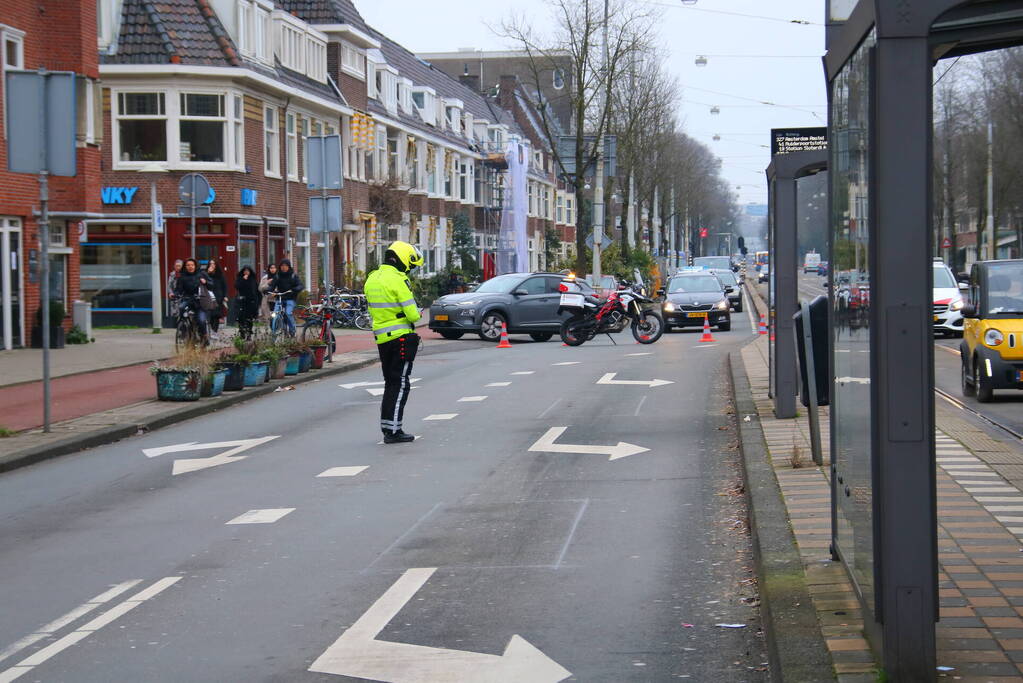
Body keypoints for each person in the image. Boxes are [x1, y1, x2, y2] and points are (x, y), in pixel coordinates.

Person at [364, 241, 423, 444]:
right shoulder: (399, 280)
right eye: (410, 265)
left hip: (382, 338)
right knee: (400, 384)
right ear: (403, 259)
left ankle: (388, 427)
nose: (410, 269)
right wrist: (418, 311)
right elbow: (413, 315)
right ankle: (394, 431)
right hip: (401, 337)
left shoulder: (372, 278)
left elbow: (373, 309)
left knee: (391, 382)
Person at [173, 258, 210, 341]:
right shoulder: (182, 277)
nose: (190, 267)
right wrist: (174, 294)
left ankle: (204, 336)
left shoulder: (202, 274)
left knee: (201, 320)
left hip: (200, 301)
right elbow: (178, 289)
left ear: (195, 266)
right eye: (188, 265)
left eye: (192, 265)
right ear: (185, 267)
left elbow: (211, 285)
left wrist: (206, 282)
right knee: (181, 307)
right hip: (188, 299)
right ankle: (184, 328)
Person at [269, 259, 303, 335]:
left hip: (290, 298)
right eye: (282, 266)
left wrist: (295, 289)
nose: (283, 267)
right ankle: (275, 329)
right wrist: (268, 290)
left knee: (288, 313)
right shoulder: (277, 276)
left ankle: (292, 330)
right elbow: (272, 286)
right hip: (280, 298)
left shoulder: (293, 276)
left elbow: (300, 285)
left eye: (285, 266)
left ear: (289, 267)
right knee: (275, 313)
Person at [234, 266, 260, 339]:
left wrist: (257, 302)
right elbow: (237, 286)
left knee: (249, 319)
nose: (246, 272)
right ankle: (242, 333)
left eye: (248, 271)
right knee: (241, 318)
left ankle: (249, 334)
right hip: (241, 302)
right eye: (245, 271)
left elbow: (256, 291)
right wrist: (243, 280)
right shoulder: (240, 279)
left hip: (250, 302)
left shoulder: (253, 280)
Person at [204, 260, 228, 333]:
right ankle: (210, 329)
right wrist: (207, 273)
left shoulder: (220, 275)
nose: (212, 265)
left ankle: (214, 331)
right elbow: (202, 282)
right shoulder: (206, 274)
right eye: (210, 263)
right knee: (210, 314)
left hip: (218, 296)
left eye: (214, 263)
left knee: (216, 314)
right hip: (208, 296)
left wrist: (225, 296)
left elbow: (224, 286)